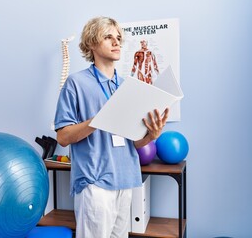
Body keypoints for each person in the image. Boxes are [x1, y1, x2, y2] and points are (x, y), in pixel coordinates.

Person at [54, 16, 168, 238]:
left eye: (118, 38)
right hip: (95, 182)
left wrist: (150, 136)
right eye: (108, 37)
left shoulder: (127, 86)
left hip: (126, 179)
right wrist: (99, 119)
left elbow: (132, 141)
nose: (116, 42)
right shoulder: (76, 83)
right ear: (91, 44)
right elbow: (63, 137)